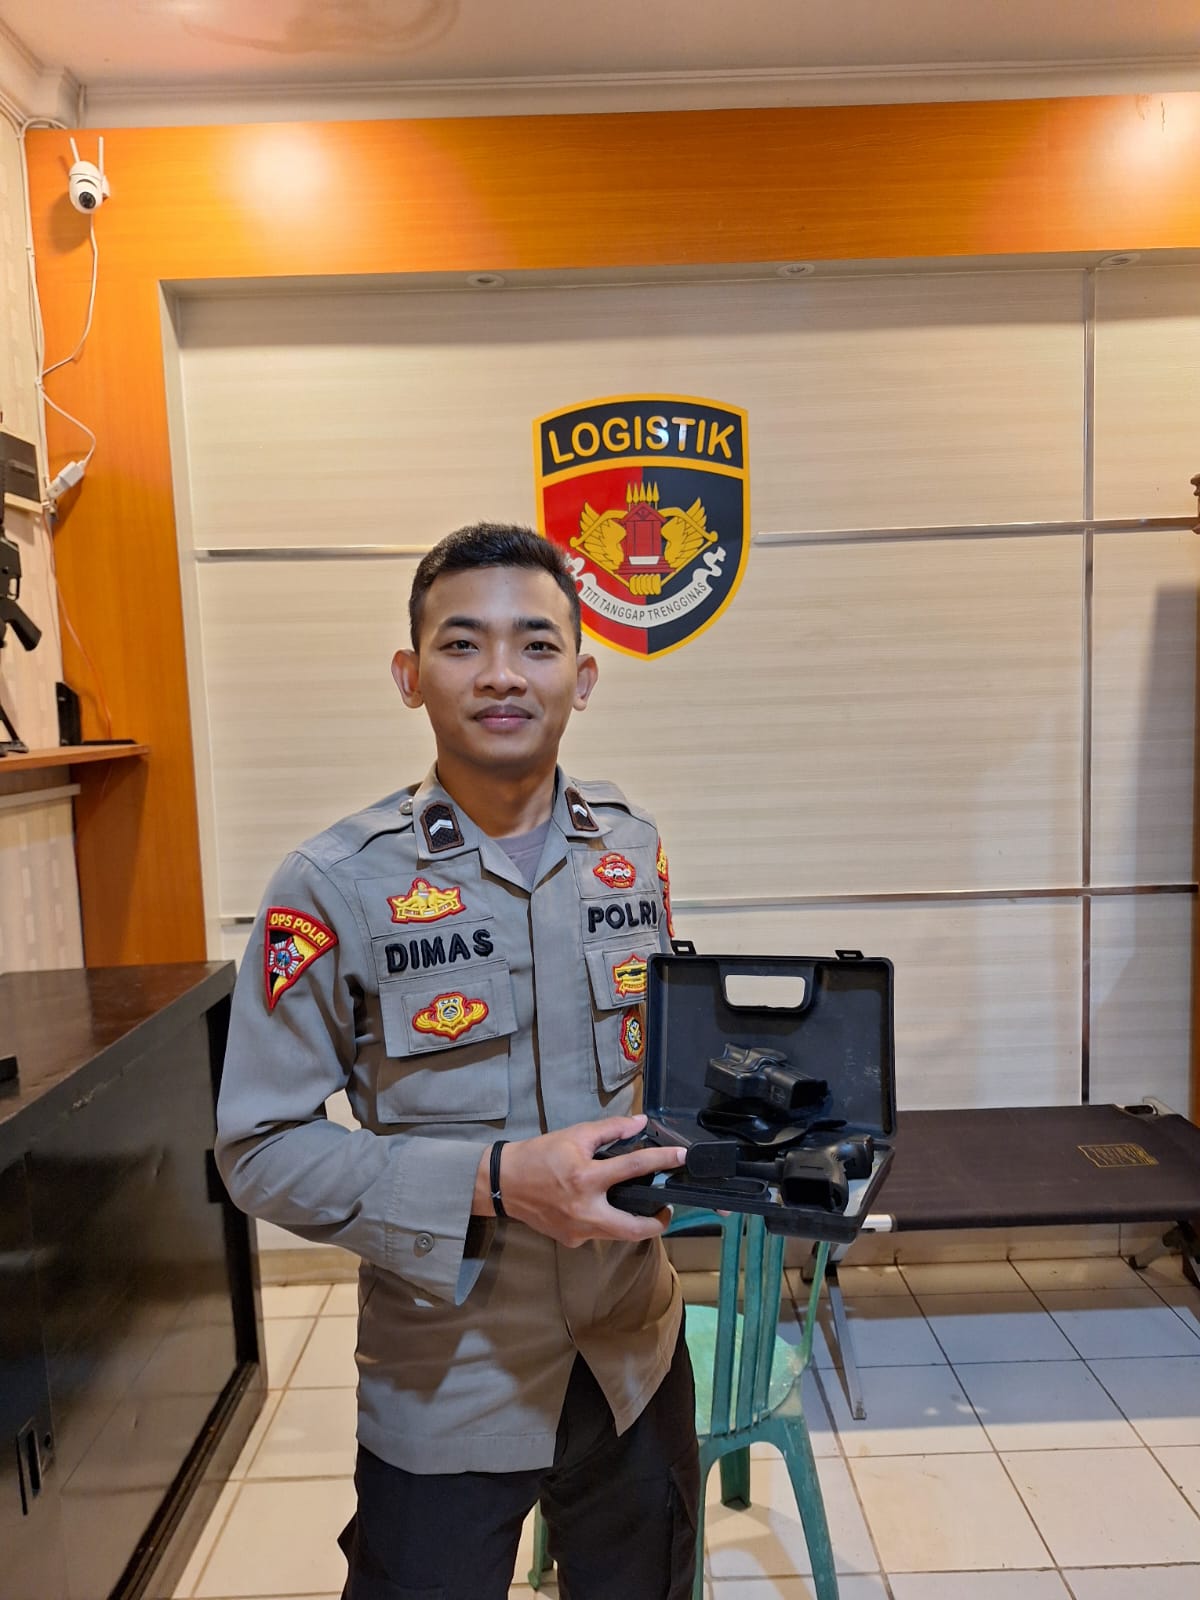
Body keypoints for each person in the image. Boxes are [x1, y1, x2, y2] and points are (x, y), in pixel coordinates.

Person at [215, 522, 700, 1600]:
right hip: (446, 1380)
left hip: (634, 1356)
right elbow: (260, 1149)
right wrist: (494, 1181)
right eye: (462, 643)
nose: (501, 674)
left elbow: (658, 1071)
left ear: (584, 677)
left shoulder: (632, 850)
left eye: (537, 644)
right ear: (409, 675)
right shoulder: (332, 884)